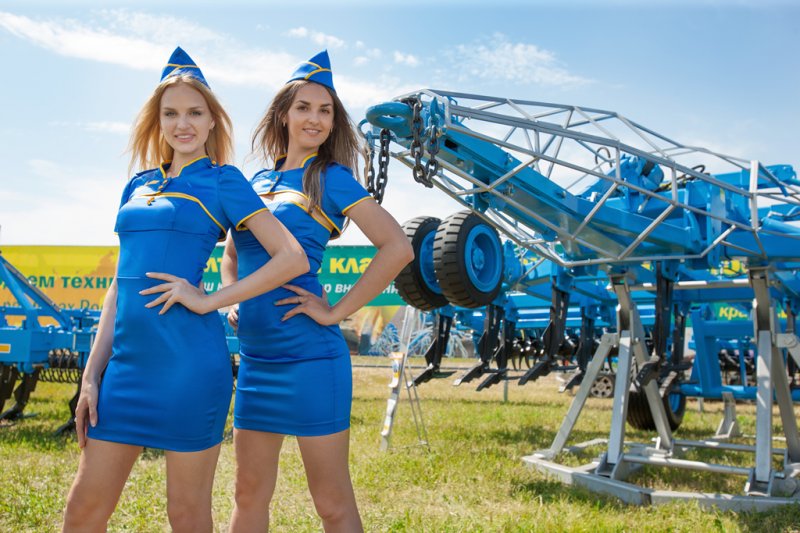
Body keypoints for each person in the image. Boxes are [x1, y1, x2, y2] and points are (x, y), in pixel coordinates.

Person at [62, 47, 308, 533]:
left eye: (195, 113)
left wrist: (209, 299)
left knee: (187, 515)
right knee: (83, 511)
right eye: (171, 113)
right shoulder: (137, 185)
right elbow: (120, 286)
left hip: (188, 369)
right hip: (125, 372)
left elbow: (291, 257)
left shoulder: (223, 182)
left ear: (212, 120)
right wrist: (91, 376)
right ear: (157, 122)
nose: (183, 124)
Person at [221, 50, 413, 532]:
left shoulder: (330, 179)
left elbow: (397, 247)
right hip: (257, 361)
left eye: (325, 111)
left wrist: (335, 312)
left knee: (330, 502)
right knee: (247, 494)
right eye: (304, 107)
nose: (315, 118)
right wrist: (232, 296)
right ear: (283, 115)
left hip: (310, 358)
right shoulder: (255, 182)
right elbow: (232, 253)